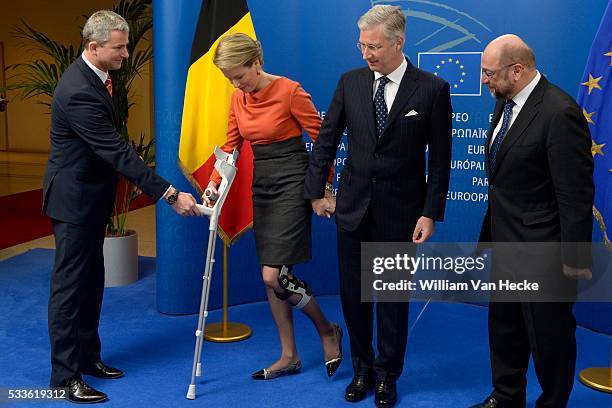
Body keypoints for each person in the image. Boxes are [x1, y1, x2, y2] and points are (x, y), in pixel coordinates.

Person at [43, 10, 198, 404]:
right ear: (93, 48)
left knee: (92, 282)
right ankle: (63, 378)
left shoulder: (99, 79)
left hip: (92, 200)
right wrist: (169, 194)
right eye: (120, 47)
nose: (127, 53)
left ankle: (89, 358)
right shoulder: (78, 89)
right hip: (73, 203)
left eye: (127, 45)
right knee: (70, 289)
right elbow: (115, 151)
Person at [304, 5, 452, 408]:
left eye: (374, 46)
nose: (365, 54)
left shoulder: (432, 89)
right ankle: (362, 369)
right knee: (354, 297)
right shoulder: (350, 82)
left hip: (401, 212)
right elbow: (327, 140)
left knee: (390, 300)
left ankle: (387, 375)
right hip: (351, 209)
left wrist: (429, 212)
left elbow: (439, 161)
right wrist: (317, 191)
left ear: (399, 42)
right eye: (362, 45)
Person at [203, 33, 342, 380]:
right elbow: (231, 148)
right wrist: (214, 184)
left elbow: (322, 142)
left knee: (273, 274)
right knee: (272, 279)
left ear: (257, 62)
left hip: (294, 182)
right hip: (262, 184)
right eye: (229, 78)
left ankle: (327, 330)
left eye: (240, 75)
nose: (236, 84)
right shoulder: (238, 98)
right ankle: (289, 355)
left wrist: (323, 189)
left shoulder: (290, 91)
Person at [471, 35, 594, 408]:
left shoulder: (560, 112)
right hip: (506, 242)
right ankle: (507, 397)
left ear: (518, 70)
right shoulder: (505, 102)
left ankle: (553, 402)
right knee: (505, 327)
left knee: (548, 337)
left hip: (544, 251)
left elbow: (574, 193)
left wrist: (575, 256)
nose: (483, 80)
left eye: (489, 73)